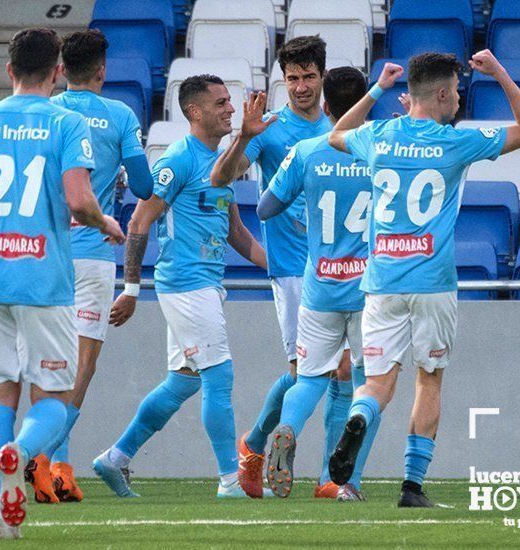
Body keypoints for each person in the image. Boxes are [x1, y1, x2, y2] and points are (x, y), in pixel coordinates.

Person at [0, 28, 125, 539]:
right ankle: (22, 453)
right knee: (53, 402)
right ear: (57, 72)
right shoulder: (67, 121)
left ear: (8, 71)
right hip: (44, 281)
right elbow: (81, 201)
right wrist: (106, 224)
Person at [326, 50, 520, 507]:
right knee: (429, 379)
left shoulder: (380, 135)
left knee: (378, 385)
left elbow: (335, 134)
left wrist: (377, 89)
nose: (460, 100)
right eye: (458, 92)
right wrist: (500, 71)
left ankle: (361, 415)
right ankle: (411, 487)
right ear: (442, 93)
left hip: (381, 282)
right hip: (433, 283)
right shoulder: (456, 142)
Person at [93, 74, 269, 499]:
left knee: (184, 381)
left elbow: (238, 235)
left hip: (203, 283)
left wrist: (284, 269)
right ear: (195, 112)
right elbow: (138, 220)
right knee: (219, 375)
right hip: (186, 284)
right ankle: (230, 480)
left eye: (230, 101)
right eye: (221, 102)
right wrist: (132, 290)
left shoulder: (220, 161)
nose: (230, 108)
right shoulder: (178, 160)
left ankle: (115, 458)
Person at [211, 35, 351, 499]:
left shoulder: (341, 128)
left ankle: (331, 479)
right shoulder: (269, 130)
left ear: (322, 77)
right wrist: (245, 136)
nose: (300, 86)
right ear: (281, 80)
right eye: (292, 78)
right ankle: (252, 448)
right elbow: (222, 179)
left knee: (343, 371)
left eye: (309, 76)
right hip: (292, 267)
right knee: (302, 374)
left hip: (341, 269)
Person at [21, 29, 153, 504]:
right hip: (95, 252)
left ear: (61, 69)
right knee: (82, 365)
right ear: (102, 69)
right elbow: (143, 184)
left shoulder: (46, 111)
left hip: (45, 249)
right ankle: (41, 459)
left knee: (45, 361)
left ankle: (59, 469)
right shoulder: (119, 115)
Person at [250, 67, 377, 501]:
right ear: (367, 105)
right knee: (366, 384)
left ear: (326, 107)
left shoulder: (306, 149)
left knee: (309, 379)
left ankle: (286, 429)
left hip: (319, 284)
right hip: (367, 289)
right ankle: (347, 483)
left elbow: (265, 208)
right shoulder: (381, 149)